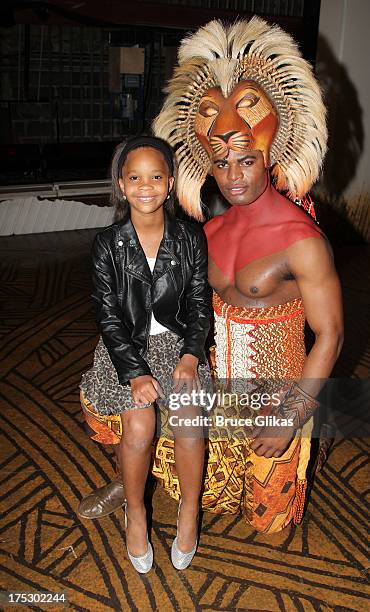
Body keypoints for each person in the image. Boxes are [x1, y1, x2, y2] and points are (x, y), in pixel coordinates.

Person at [79, 17, 343, 534]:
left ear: (269, 154)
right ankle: (133, 483)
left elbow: (330, 333)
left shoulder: (302, 239)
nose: (234, 174)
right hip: (208, 381)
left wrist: (291, 415)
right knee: (138, 396)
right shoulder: (207, 232)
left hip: (273, 394)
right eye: (221, 162)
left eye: (246, 160)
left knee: (269, 523)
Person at [79, 135, 212, 571]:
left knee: (190, 417)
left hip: (179, 346)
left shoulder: (190, 237)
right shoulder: (107, 244)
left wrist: (191, 356)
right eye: (135, 177)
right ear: (121, 185)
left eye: (156, 176)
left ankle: (189, 513)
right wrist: (136, 372)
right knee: (140, 424)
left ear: (170, 183)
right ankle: (136, 512)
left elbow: (198, 304)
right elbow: (108, 317)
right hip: (126, 350)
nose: (146, 186)